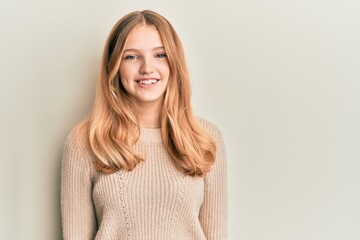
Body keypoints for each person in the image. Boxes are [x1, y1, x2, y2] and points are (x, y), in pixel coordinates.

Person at [61, 10, 227, 240]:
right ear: (114, 67)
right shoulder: (85, 142)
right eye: (131, 57)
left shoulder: (206, 139)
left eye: (160, 55)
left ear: (174, 63)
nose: (147, 68)